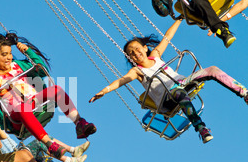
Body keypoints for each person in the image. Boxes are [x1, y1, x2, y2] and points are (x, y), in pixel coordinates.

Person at [89, 19, 248, 143]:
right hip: (166, 99)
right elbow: (122, 80)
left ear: (145, 48)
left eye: (137, 49)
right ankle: (201, 128)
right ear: (131, 59)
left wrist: (179, 18)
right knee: (178, 92)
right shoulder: (137, 71)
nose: (136, 53)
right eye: (132, 53)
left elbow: (167, 36)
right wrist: (104, 91)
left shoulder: (156, 55)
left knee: (212, 69)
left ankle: (245, 94)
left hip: (182, 83)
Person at [0, 32, 96, 161]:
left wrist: (28, 52)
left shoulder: (18, 65)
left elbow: (41, 70)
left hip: (35, 103)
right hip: (16, 116)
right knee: (22, 107)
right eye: (4, 55)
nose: (9, 57)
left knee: (56, 90)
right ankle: (49, 143)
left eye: (9, 53)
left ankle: (79, 124)